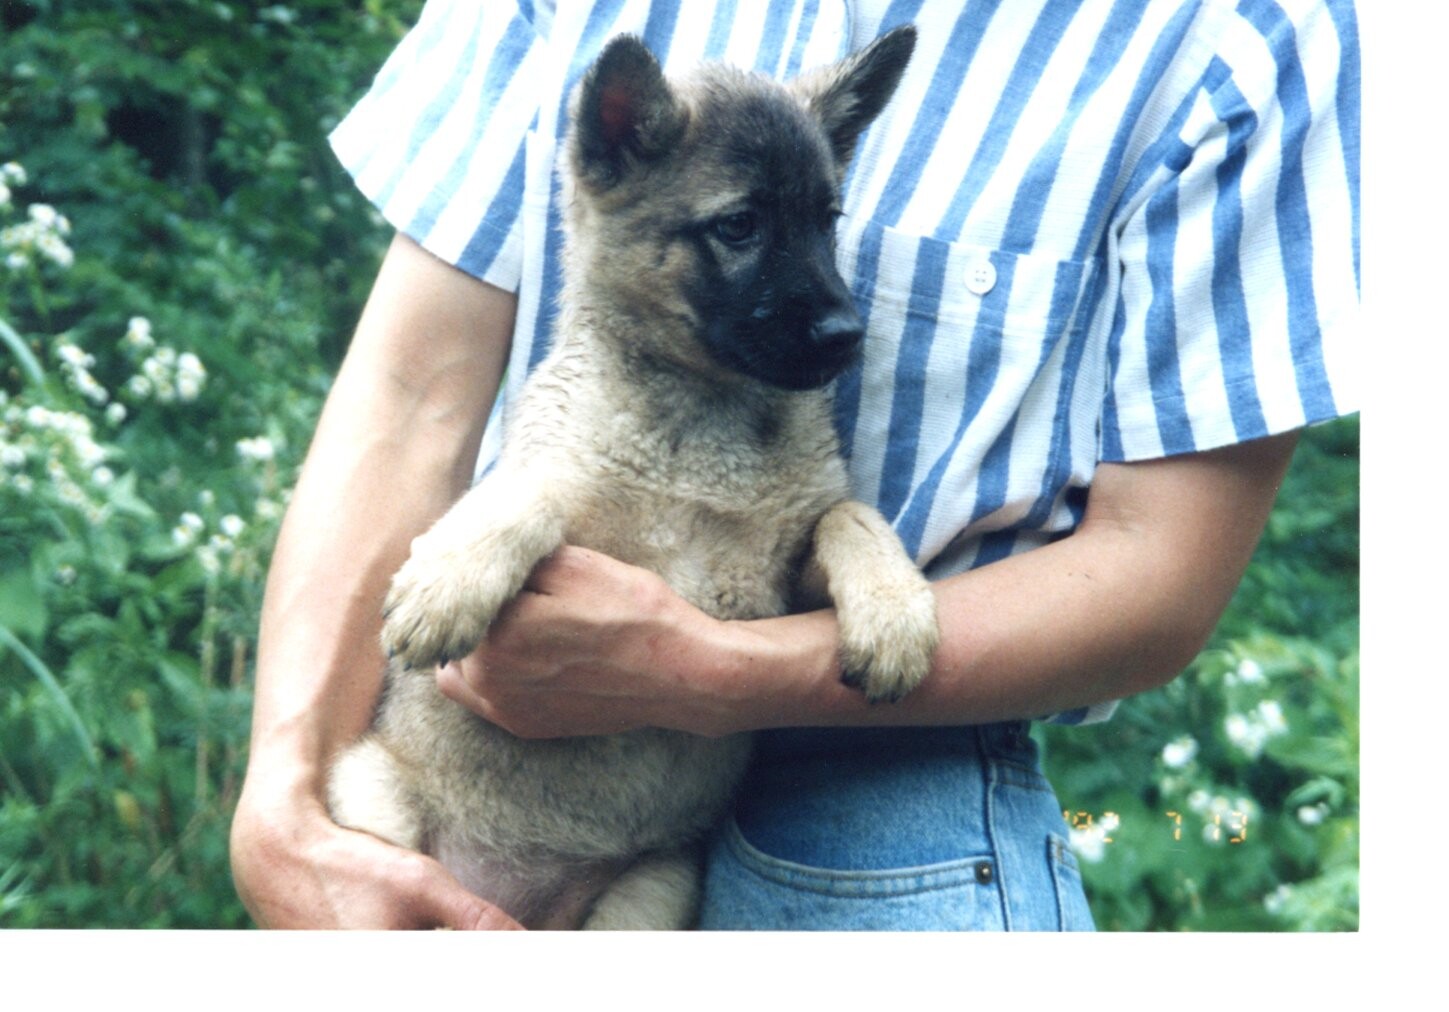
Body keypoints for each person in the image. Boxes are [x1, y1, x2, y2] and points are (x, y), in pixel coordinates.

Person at [229, 0, 1359, 930]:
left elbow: (1157, 573)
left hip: (884, 766)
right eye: (741, 232)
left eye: (821, 226)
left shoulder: (1245, 38)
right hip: (450, 780)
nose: (827, 300)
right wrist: (282, 802)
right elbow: (411, 398)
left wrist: (715, 672)